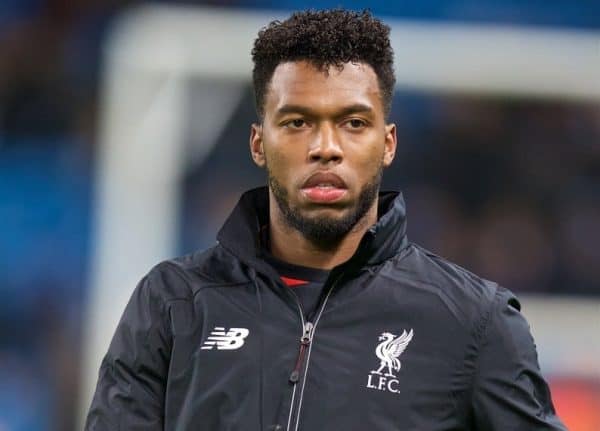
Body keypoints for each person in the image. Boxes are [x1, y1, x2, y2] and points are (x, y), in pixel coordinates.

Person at [85, 9, 567, 431]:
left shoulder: (474, 322)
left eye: (353, 123)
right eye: (297, 122)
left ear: (388, 143)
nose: (326, 147)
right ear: (258, 144)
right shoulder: (173, 301)